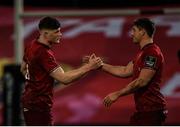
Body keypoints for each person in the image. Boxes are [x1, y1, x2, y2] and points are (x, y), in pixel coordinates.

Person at [20, 16, 103, 125]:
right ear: (45, 34)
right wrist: (89, 67)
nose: (60, 34)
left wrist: (34, 81)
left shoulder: (31, 45)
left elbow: (23, 68)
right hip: (39, 106)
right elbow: (64, 79)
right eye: (57, 32)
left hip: (31, 103)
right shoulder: (44, 53)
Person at [102, 18, 167, 125]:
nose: (131, 34)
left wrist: (117, 94)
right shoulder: (143, 53)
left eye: (134, 30)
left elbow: (142, 81)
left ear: (143, 32)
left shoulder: (152, 53)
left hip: (152, 111)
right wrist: (99, 65)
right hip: (144, 111)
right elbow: (124, 71)